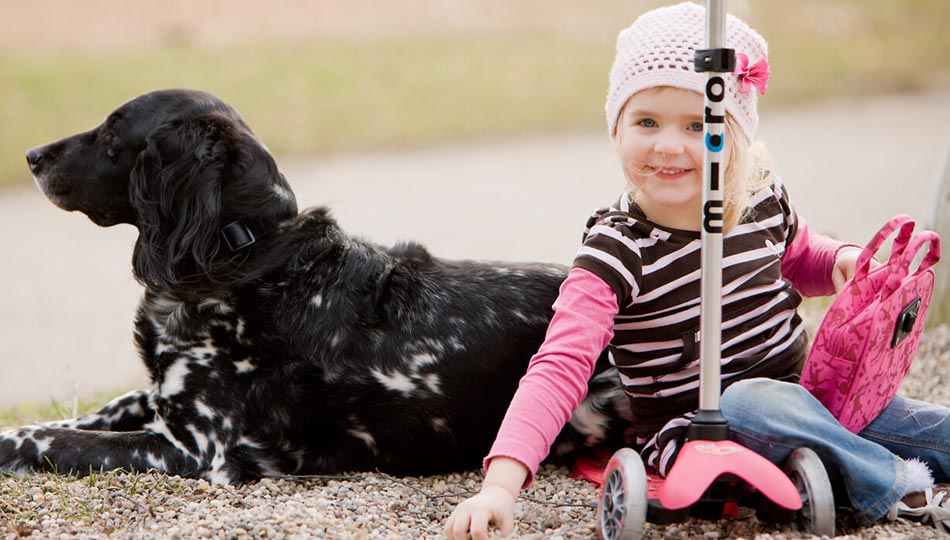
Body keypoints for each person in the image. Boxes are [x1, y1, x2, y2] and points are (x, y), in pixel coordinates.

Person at [444, 3, 950, 539]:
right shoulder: (616, 250)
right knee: (750, 402)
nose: (668, 145)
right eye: (646, 121)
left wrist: (844, 260)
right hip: (702, 428)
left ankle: (890, 452)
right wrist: (499, 485)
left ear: (736, 135)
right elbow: (560, 365)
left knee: (914, 420)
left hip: (809, 396)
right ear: (615, 130)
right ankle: (906, 488)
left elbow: (802, 256)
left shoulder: (758, 197)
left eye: (697, 125)